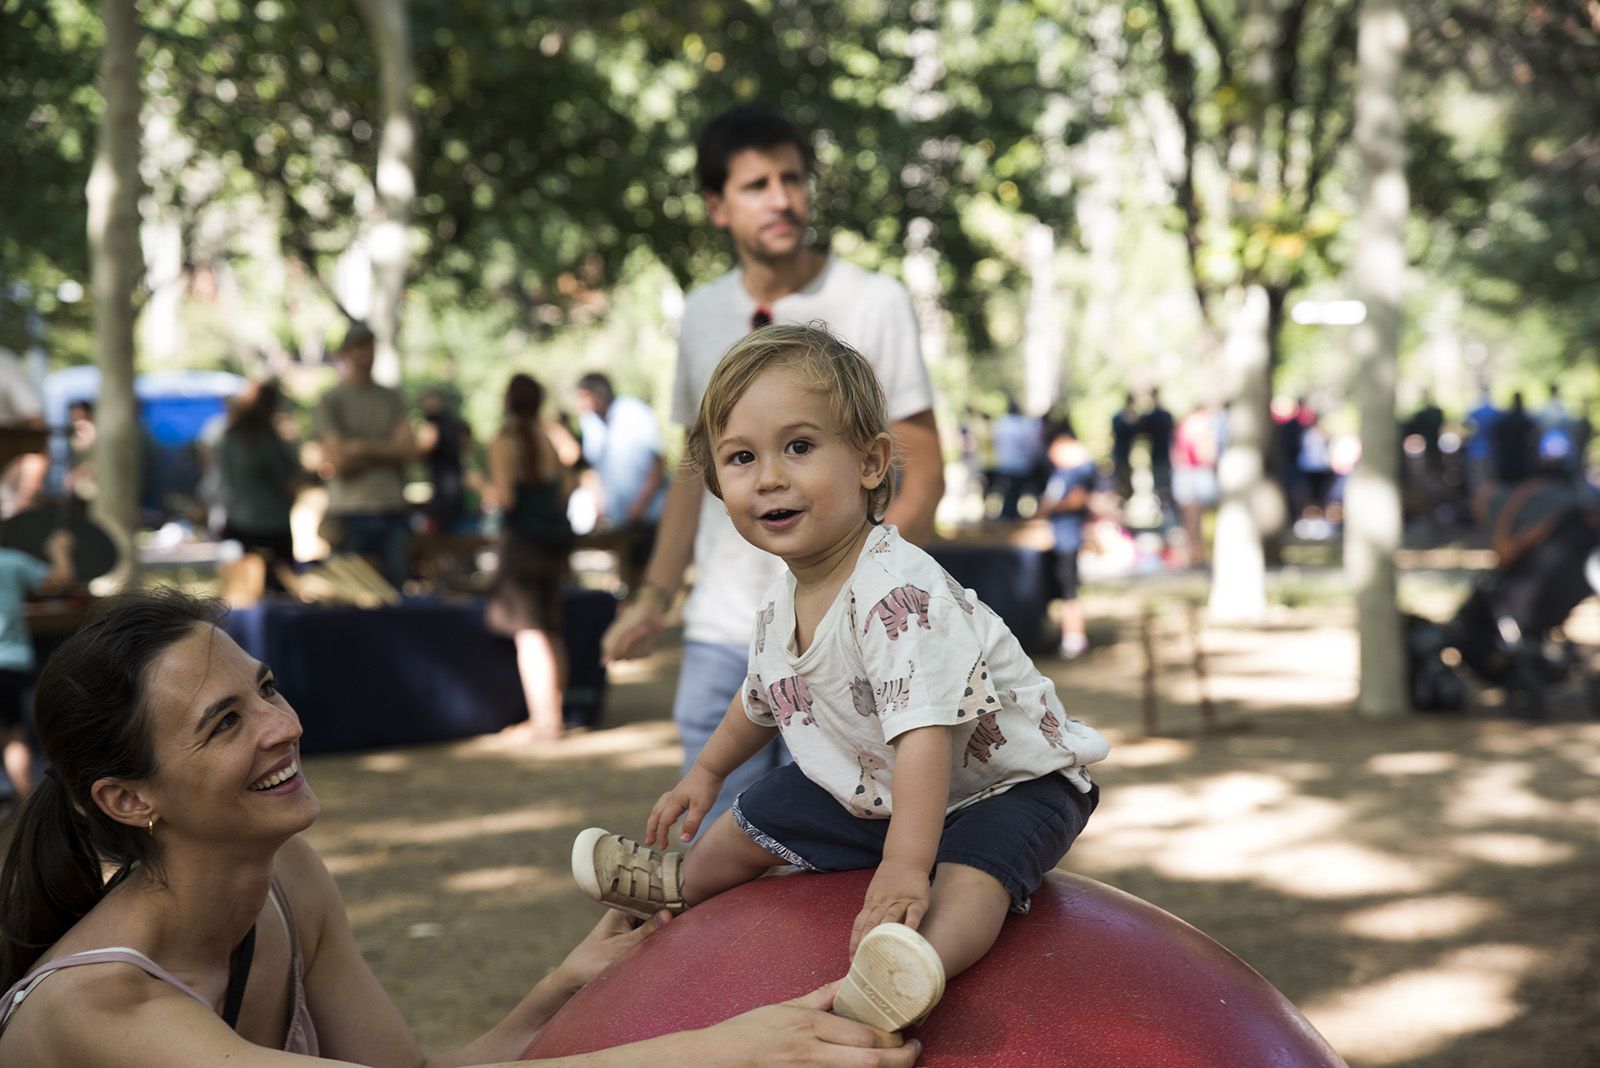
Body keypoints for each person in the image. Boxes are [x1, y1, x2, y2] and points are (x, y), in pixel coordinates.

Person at [0, 590, 920, 1067]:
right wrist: (719, 1051)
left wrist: (561, 986)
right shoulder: (99, 1012)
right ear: (127, 800)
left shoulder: (291, 882)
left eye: (266, 691)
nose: (282, 728)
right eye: (224, 722)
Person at [573, 325, 1108, 1035]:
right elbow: (762, 699)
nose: (769, 477)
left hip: (1006, 783)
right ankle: (679, 880)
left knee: (974, 873)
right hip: (881, 782)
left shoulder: (897, 593)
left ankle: (910, 966)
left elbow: (926, 735)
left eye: (799, 447)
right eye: (741, 458)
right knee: (762, 809)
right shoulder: (780, 606)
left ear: (870, 463)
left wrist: (904, 868)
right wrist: (704, 774)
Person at [600, 104, 944, 832]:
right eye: (757, 184)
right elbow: (695, 472)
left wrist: (868, 594)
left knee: (838, 839)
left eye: (792, 178)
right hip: (725, 628)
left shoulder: (873, 301)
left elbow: (925, 465)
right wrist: (654, 597)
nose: (783, 198)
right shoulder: (700, 314)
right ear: (717, 206)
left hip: (846, 636)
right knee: (716, 841)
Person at [486, 374, 575, 743]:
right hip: (552, 545)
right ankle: (554, 713)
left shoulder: (504, 442)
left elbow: (505, 498)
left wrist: (482, 487)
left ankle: (544, 722)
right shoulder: (548, 439)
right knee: (550, 629)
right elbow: (568, 486)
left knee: (530, 634)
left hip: (521, 544)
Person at [313, 323, 416, 590]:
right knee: (350, 593)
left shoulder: (392, 397)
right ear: (347, 352)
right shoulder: (332, 399)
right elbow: (338, 461)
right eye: (359, 347)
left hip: (390, 507)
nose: (366, 355)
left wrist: (360, 447)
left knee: (394, 591)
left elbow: (408, 450)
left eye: (370, 347)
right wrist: (385, 451)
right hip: (349, 511)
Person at [0, 529, 73, 808]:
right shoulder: (10, 561)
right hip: (9, 663)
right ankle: (26, 805)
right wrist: (60, 549)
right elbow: (60, 581)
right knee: (14, 736)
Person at [574, 372, 667, 591]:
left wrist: (640, 504)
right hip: (621, 519)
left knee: (651, 573)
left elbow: (657, 462)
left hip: (650, 514)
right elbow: (595, 469)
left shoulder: (634, 413)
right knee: (628, 571)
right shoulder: (590, 422)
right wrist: (598, 508)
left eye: (583, 397)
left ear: (597, 395)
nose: (580, 404)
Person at [216, 380, 302, 585]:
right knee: (280, 586)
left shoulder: (229, 436)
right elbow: (287, 481)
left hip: (238, 519)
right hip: (271, 524)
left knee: (242, 589)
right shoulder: (268, 440)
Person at [1038, 419, 1097, 659]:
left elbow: (1078, 500)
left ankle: (1074, 637)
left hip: (1069, 537)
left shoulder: (1077, 472)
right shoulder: (1063, 473)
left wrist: (1050, 508)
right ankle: (1069, 635)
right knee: (1064, 589)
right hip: (1060, 537)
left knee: (1069, 590)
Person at [1171, 402, 1223, 567]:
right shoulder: (1203, 427)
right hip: (1200, 473)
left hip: (1184, 472)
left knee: (1189, 519)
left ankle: (1191, 553)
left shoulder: (1184, 425)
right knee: (1201, 518)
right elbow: (1206, 454)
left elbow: (1175, 451)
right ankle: (1198, 554)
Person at [417, 386, 473, 536]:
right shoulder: (449, 422)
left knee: (444, 528)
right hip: (450, 481)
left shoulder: (434, 424)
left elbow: (422, 449)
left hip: (445, 483)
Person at [988, 399, 1041, 522]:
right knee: (1014, 491)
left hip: (1004, 462)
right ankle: (1009, 514)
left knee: (1007, 490)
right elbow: (1030, 445)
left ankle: (1007, 514)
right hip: (1020, 464)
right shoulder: (1024, 425)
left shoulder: (1001, 423)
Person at [1139, 388, 1175, 508]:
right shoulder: (1165, 415)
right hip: (1162, 455)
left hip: (1162, 455)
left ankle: (1166, 507)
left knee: (1162, 484)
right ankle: (1165, 507)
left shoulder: (1155, 416)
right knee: (1163, 484)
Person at [1109, 393, 1139, 500]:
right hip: (1120, 455)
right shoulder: (1122, 418)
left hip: (1124, 455)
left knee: (1124, 482)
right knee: (1122, 482)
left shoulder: (1122, 418)